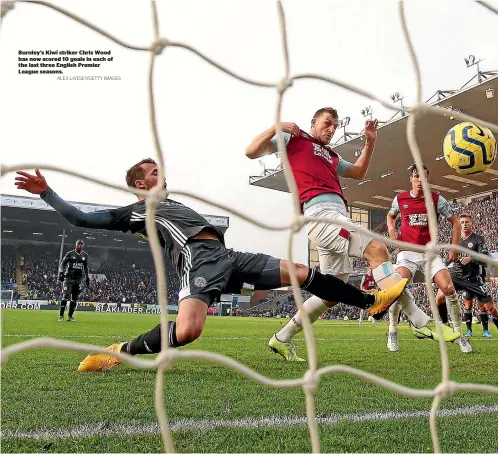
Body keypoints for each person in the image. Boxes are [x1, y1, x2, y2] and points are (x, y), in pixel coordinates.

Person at [14, 162, 407, 370]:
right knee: (188, 332)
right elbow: (81, 219)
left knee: (302, 274)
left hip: (228, 257)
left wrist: (247, 288)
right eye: (153, 172)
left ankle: (369, 302)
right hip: (196, 263)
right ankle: (119, 351)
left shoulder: (173, 203)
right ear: (139, 183)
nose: (160, 175)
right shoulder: (136, 212)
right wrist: (47, 192)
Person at [247, 107, 441, 361]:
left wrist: (370, 143)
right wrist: (277, 126)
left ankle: (282, 337)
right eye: (327, 123)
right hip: (322, 213)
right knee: (378, 249)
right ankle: (418, 319)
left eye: (335, 126)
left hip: (334, 215)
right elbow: (251, 151)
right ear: (313, 122)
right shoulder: (294, 139)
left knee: (332, 290)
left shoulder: (331, 155)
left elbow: (359, 172)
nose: (331, 129)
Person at [386, 164, 465, 353]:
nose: (419, 180)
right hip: (407, 254)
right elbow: (391, 217)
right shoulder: (400, 199)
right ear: (411, 179)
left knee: (449, 288)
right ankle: (392, 331)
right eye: (416, 176)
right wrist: (392, 229)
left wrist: (454, 247)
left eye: (423, 177)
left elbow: (455, 223)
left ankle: (459, 334)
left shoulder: (437, 199)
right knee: (396, 289)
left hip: (430, 253)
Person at [444, 213, 498, 342]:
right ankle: (445, 327)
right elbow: (449, 258)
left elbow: (485, 257)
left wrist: (471, 258)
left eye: (467, 222)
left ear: (471, 223)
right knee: (441, 296)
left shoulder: (478, 239)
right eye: (462, 222)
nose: (464, 224)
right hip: (457, 276)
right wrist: (441, 268)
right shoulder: (455, 240)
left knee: (490, 308)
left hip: (475, 278)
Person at [57, 239, 89, 322]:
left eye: (81, 244)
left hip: (78, 279)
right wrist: (61, 272)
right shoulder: (70, 254)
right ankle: (61, 316)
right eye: (79, 244)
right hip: (68, 278)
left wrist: (87, 277)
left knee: (74, 298)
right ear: (75, 245)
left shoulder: (85, 255)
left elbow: (85, 267)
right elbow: (62, 264)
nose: (80, 246)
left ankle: (70, 316)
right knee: (66, 296)